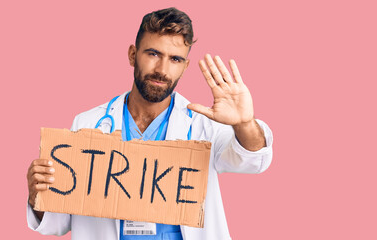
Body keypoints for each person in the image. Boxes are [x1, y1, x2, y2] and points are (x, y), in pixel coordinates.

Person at [26, 7, 273, 240]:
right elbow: (61, 220)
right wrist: (38, 194)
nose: (162, 69)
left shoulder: (203, 124)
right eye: (153, 54)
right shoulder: (88, 122)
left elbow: (252, 160)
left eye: (175, 59)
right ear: (133, 55)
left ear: (185, 67)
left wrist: (244, 123)